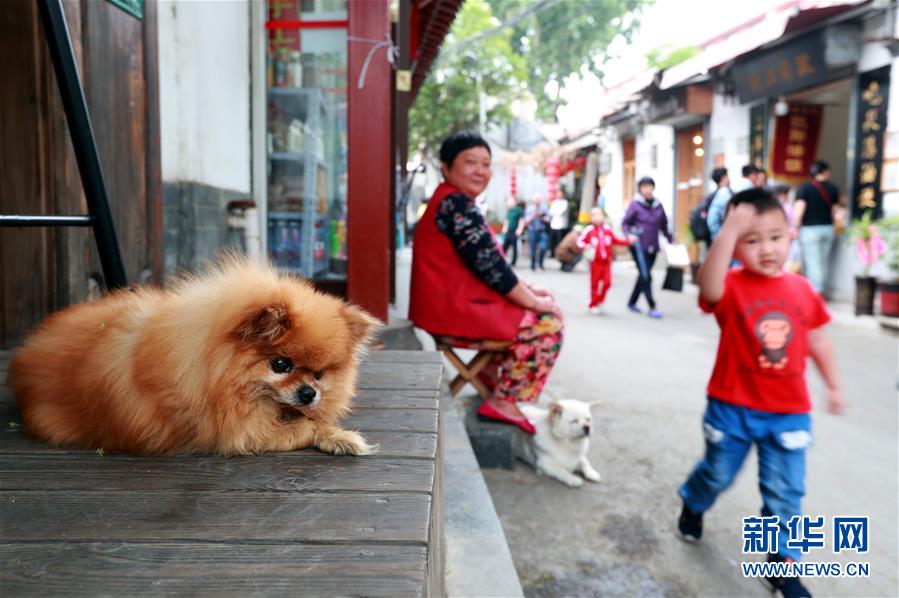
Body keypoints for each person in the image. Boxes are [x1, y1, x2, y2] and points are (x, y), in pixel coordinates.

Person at [676, 188, 842, 598]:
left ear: (790, 236)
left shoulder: (803, 289)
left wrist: (833, 384)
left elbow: (818, 340)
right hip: (731, 407)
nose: (766, 249)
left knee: (785, 491)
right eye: (752, 240)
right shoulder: (730, 283)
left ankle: (781, 565)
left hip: (788, 413)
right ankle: (694, 502)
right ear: (735, 244)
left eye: (775, 237)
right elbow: (707, 287)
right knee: (717, 474)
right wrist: (730, 227)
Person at [409, 132, 564, 435]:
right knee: (548, 322)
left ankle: (491, 378)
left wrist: (529, 290)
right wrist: (533, 301)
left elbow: (492, 263)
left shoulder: (453, 201)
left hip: (445, 306)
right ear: (447, 167)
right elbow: (493, 268)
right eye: (471, 162)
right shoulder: (457, 205)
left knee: (535, 312)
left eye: (486, 164)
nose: (481, 170)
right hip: (450, 310)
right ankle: (504, 400)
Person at [622, 176, 673, 318]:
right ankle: (652, 306)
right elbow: (625, 223)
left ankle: (631, 302)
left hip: (653, 246)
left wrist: (670, 240)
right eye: (644, 186)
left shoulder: (658, 205)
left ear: (653, 187)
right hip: (638, 246)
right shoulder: (635, 204)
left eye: (649, 186)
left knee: (643, 275)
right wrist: (629, 235)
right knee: (646, 276)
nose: (647, 189)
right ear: (640, 188)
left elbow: (664, 226)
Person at [793, 160, 842, 295]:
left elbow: (799, 209)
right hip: (828, 229)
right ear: (825, 172)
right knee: (823, 261)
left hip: (810, 230)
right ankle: (821, 290)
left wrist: (796, 226)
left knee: (813, 261)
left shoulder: (804, 188)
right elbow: (836, 212)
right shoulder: (833, 188)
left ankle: (816, 292)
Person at [577, 207, 630, 314]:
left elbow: (616, 240)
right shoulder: (589, 230)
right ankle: (593, 304)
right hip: (595, 262)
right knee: (595, 284)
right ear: (591, 218)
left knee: (607, 283)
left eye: (599, 214)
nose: (597, 217)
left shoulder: (607, 229)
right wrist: (585, 246)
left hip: (607, 262)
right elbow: (580, 241)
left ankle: (599, 300)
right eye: (594, 215)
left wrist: (628, 241)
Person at [706, 167, 732, 242]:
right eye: (727, 176)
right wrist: (720, 236)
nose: (729, 178)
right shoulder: (723, 193)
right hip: (722, 238)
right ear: (723, 178)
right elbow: (712, 219)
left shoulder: (719, 192)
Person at [524, 195, 550, 271]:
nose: (537, 201)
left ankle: (541, 263)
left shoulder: (544, 208)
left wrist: (541, 216)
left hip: (542, 230)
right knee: (533, 249)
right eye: (536, 199)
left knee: (543, 247)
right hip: (532, 230)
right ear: (533, 200)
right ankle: (533, 265)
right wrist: (533, 215)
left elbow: (548, 219)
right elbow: (526, 220)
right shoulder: (529, 208)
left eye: (539, 199)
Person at [501, 197, 524, 266]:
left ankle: (513, 262)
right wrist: (504, 227)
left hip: (515, 232)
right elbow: (506, 220)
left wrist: (520, 229)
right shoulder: (508, 210)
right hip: (508, 231)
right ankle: (501, 260)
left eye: (510, 201)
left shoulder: (519, 210)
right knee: (504, 246)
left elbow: (521, 220)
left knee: (514, 247)